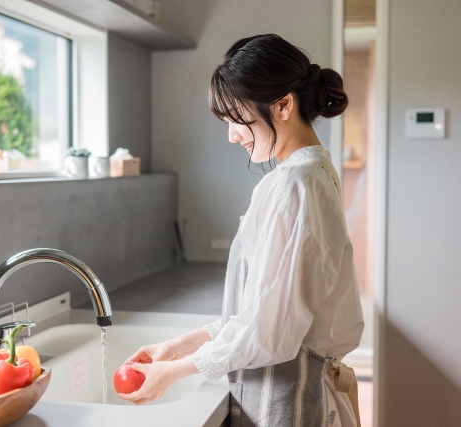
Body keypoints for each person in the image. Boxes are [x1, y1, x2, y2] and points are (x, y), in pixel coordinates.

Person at [117, 34, 365, 427]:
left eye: (238, 119)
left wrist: (175, 371)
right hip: (290, 388)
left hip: (289, 399)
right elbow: (265, 312)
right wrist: (177, 346)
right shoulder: (312, 173)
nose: (233, 134)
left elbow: (271, 334)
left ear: (283, 104)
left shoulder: (295, 185)